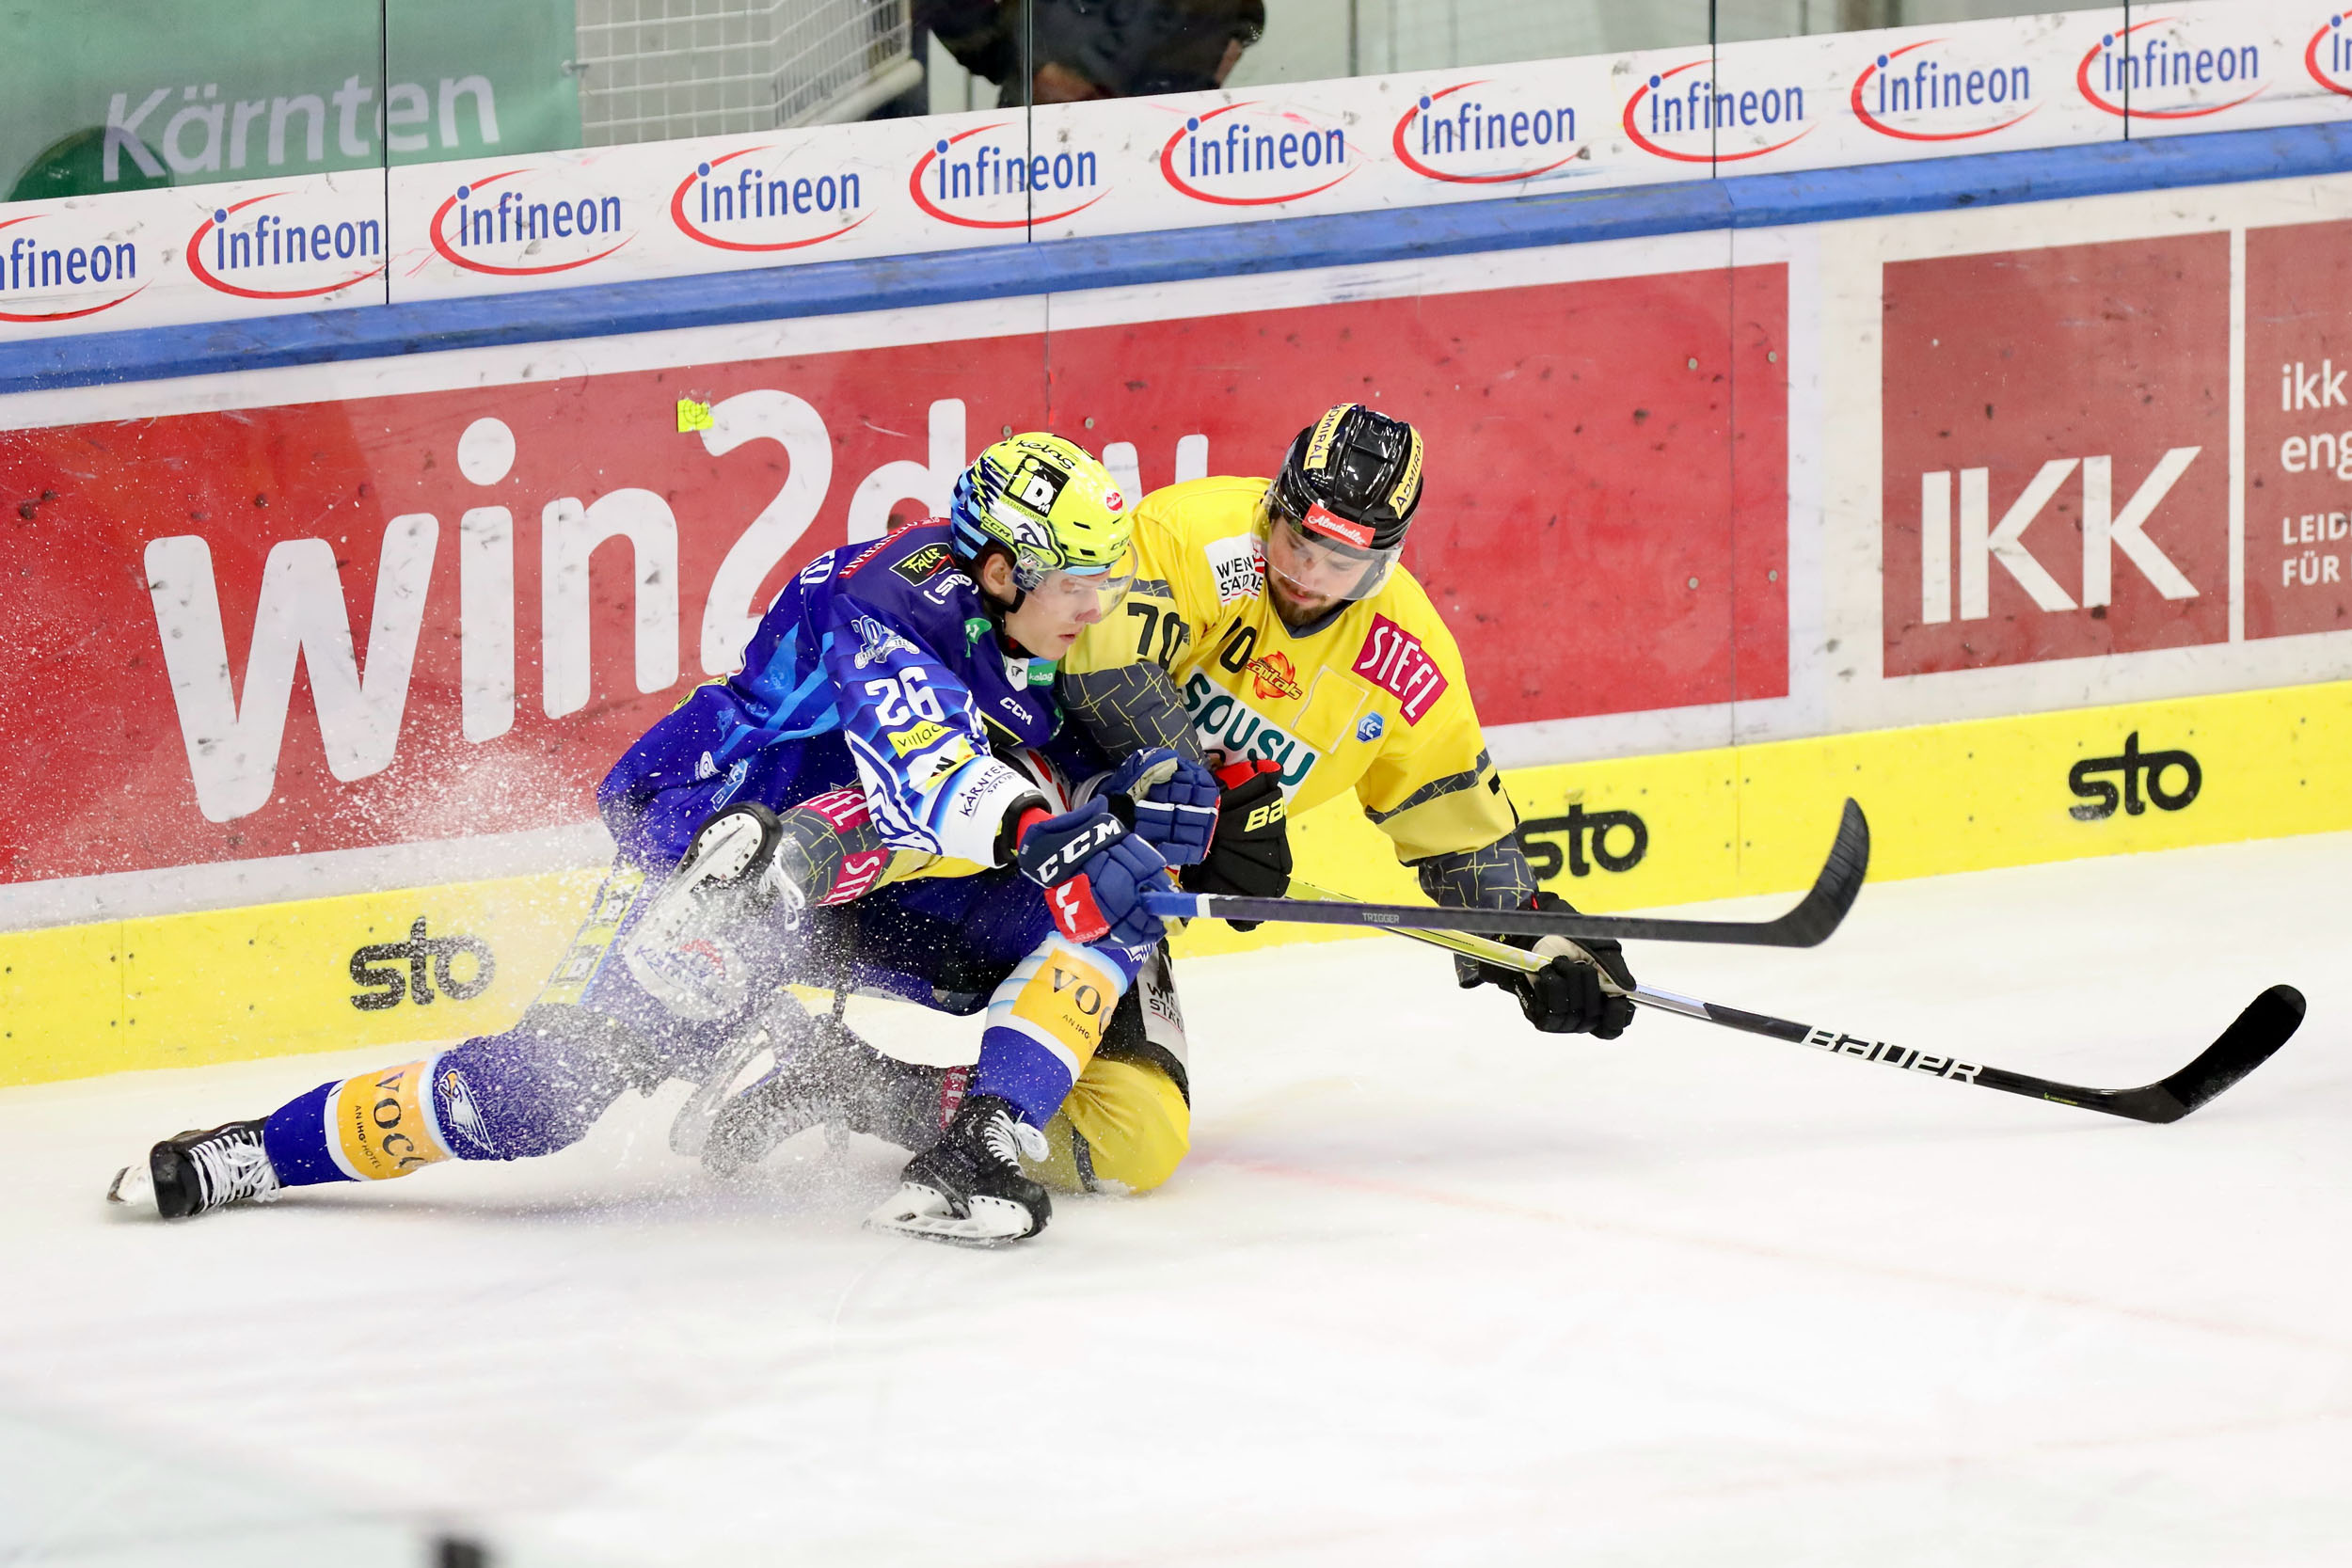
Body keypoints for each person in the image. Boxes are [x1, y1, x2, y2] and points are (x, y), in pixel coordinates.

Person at [110, 434, 1219, 1245]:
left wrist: (1172, 805)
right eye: (1079, 583)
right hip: (717, 847)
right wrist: (1043, 823)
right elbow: (925, 773)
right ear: (1001, 569)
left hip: (859, 873)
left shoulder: (1033, 627)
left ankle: (976, 1149)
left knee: (1112, 889)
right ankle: (259, 1149)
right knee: (535, 1098)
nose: (1098, 605)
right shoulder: (891, 600)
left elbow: (1029, 778)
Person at [1056, 401, 1641, 1040]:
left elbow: (1456, 821)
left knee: (1139, 1103)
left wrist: (1525, 933)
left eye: (1341, 564)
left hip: (1135, 900)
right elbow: (1105, 671)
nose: (1307, 576)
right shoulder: (1191, 534)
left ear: (1384, 561)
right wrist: (1204, 812)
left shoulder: (1409, 655)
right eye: (1298, 543)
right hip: (1047, 807)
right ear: (1275, 507)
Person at [919, 0, 1264, 104]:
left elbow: (1246, 15)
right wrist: (1023, 65)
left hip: (1170, 125)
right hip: (1049, 129)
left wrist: (1229, 42)